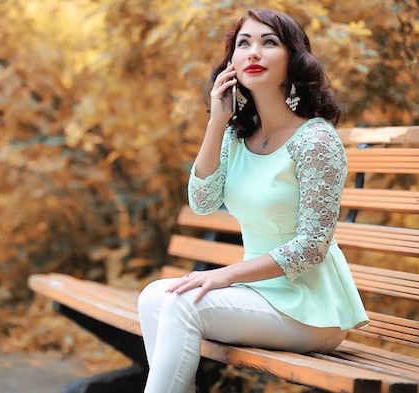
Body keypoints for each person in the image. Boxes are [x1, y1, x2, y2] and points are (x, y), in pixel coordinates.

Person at [137, 8, 369, 393]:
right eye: (243, 44)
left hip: (312, 309)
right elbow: (202, 201)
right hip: (258, 296)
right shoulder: (236, 136)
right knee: (153, 297)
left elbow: (313, 247)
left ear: (294, 60)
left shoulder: (315, 140)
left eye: (269, 43)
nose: (253, 53)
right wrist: (216, 120)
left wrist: (224, 274)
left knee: (179, 303)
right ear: (231, 63)